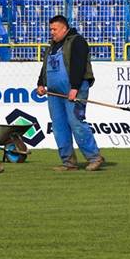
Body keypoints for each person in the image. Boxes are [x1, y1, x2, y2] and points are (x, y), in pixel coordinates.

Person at [36, 15, 105, 172]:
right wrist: (40, 83)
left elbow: (79, 65)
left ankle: (94, 157)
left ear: (64, 28)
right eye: (50, 29)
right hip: (54, 93)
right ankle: (68, 162)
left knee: (76, 122)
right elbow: (45, 66)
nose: (51, 32)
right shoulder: (51, 46)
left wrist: (74, 88)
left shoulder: (77, 41)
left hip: (74, 89)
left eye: (54, 29)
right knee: (59, 126)